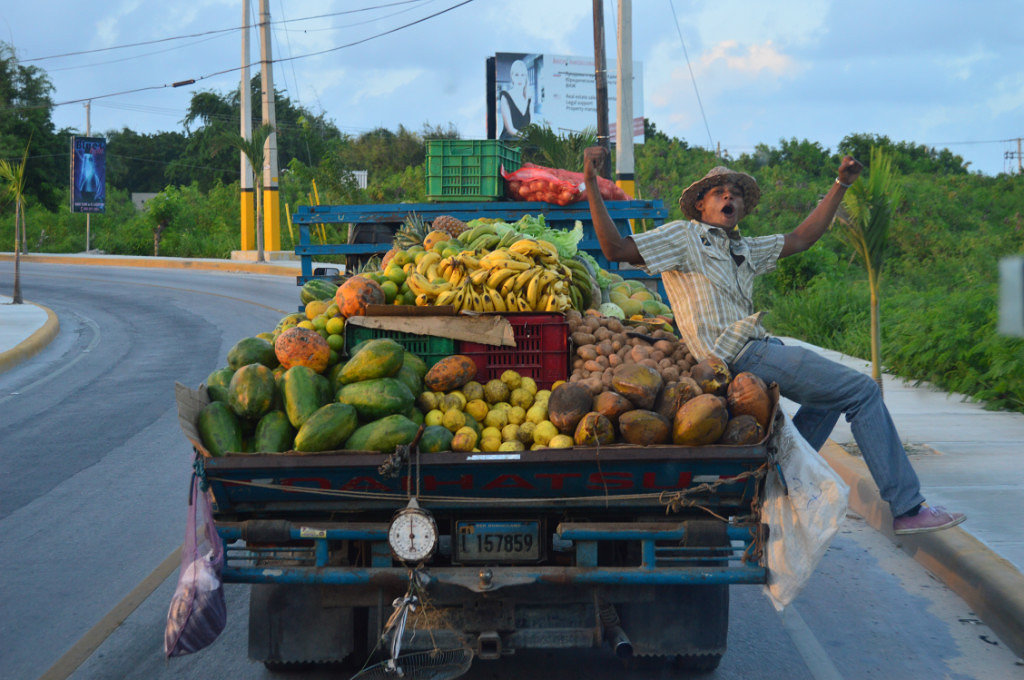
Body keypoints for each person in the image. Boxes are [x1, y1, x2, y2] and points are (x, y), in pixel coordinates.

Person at [582, 145, 966, 535]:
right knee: (862, 391)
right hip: (739, 354)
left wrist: (841, 185)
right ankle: (907, 508)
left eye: (735, 192)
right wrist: (591, 184)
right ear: (700, 206)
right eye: (718, 192)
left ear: (744, 210)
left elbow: (802, 238)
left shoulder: (744, 248)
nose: (729, 196)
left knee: (830, 398)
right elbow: (616, 249)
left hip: (760, 352)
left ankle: (778, 485)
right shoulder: (685, 237)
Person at [499, 59, 531, 140]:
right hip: (508, 143)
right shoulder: (505, 96)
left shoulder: (529, 98)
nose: (520, 78)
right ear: (512, 76)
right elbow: (510, 129)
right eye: (516, 75)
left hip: (525, 144)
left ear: (526, 77)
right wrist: (526, 138)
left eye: (522, 75)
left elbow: (532, 125)